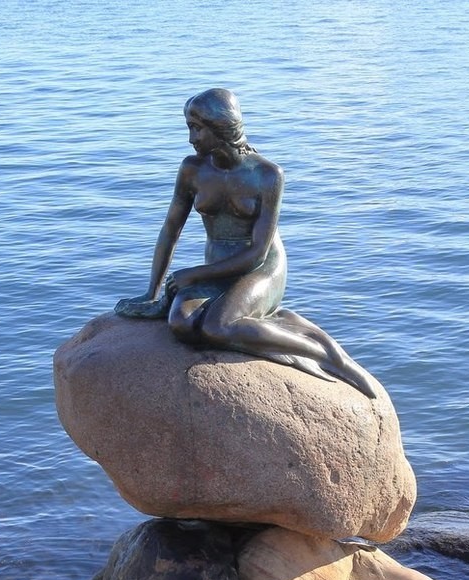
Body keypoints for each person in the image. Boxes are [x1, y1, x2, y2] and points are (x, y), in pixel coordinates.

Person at [116, 89, 378, 398]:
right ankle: (260, 323)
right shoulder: (192, 169)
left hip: (260, 269)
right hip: (217, 270)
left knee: (217, 327)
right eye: (189, 128)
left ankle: (328, 355)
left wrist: (194, 275)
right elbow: (171, 229)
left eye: (197, 128)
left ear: (220, 126)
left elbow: (257, 254)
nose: (191, 138)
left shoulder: (267, 175)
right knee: (182, 325)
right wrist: (152, 292)